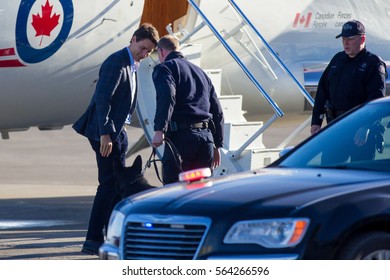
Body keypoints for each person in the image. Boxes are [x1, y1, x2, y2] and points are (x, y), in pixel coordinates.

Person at [72, 23, 159, 255]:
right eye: (142, 48)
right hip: (105, 132)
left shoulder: (132, 64)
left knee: (115, 185)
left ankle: (111, 235)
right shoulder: (116, 62)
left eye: (148, 51)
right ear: (132, 39)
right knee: (109, 184)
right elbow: (103, 100)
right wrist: (106, 134)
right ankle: (92, 240)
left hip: (116, 131)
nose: (144, 54)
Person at [310, 20, 387, 163]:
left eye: (350, 39)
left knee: (359, 175)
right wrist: (316, 122)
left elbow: (375, 99)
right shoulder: (337, 60)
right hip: (336, 127)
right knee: (328, 170)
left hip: (360, 130)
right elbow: (322, 91)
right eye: (343, 39)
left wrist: (366, 126)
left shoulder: (373, 64)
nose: (346, 43)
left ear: (362, 39)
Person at [151, 35, 224, 184]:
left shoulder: (165, 68)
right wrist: (217, 145)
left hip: (182, 140)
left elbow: (167, 97)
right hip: (205, 140)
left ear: (161, 51)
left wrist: (160, 130)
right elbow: (217, 110)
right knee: (200, 193)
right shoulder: (201, 72)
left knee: (174, 190)